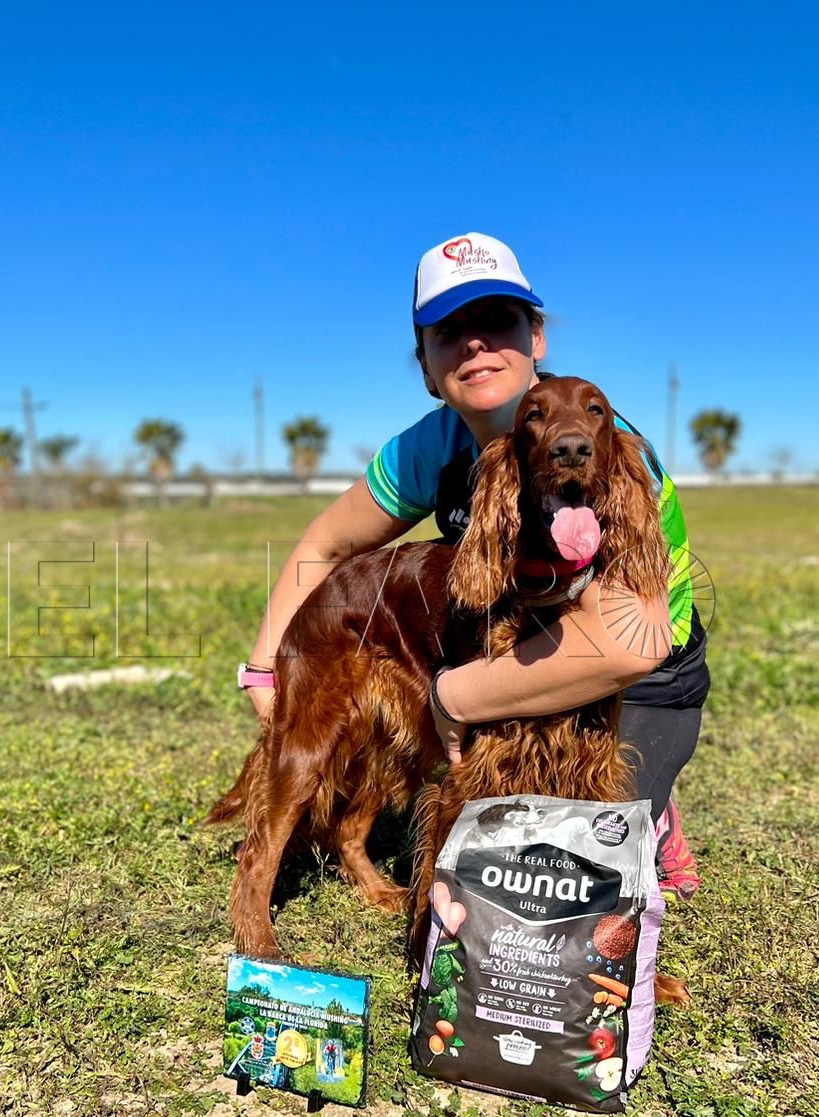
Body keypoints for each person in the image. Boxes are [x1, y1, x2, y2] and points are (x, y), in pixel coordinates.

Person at [237, 232, 707, 897]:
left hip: (640, 680)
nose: (476, 344)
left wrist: (454, 697)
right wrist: (263, 669)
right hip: (509, 646)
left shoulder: (610, 447)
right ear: (428, 369)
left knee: (567, 854)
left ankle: (653, 813)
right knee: (498, 855)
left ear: (536, 338)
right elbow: (328, 545)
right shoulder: (429, 449)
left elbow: (634, 644)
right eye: (449, 331)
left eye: (497, 321)